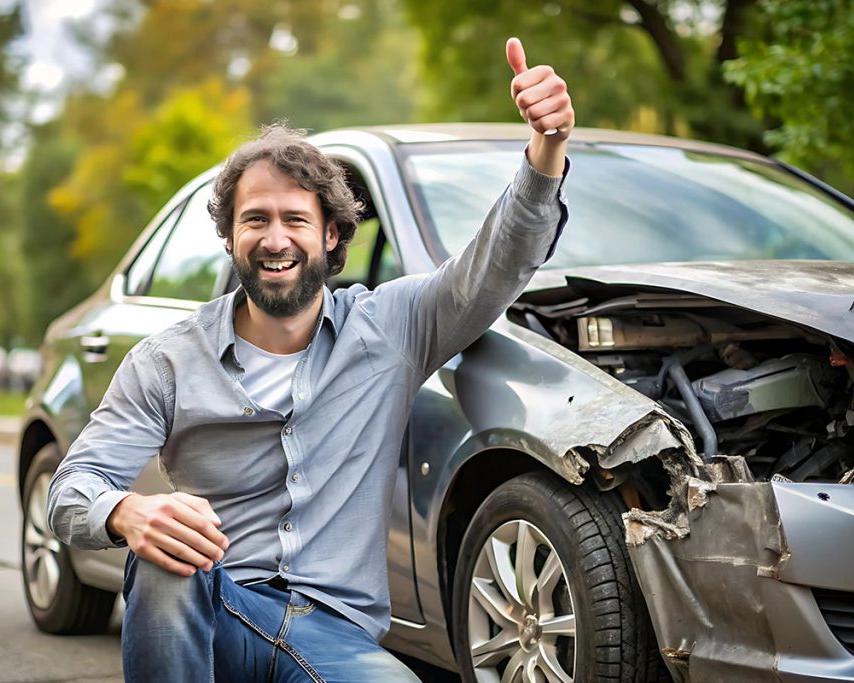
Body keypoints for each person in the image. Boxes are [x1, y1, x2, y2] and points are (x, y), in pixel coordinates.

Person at [48, 37, 574, 682]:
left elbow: (495, 265)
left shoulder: (393, 327)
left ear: (329, 235)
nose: (275, 239)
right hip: (211, 613)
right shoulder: (168, 361)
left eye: (295, 220)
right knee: (163, 559)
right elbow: (71, 489)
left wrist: (546, 151)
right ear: (230, 236)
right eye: (255, 220)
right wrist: (129, 512)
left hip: (333, 632)